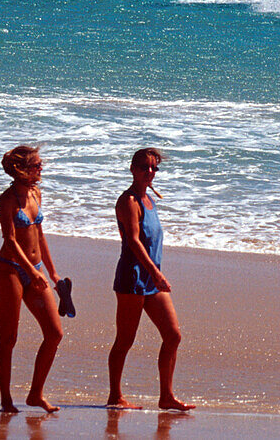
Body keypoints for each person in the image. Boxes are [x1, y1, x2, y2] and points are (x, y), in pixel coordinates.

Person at [107, 148, 195, 412]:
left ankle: (166, 396)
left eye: (154, 168)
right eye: (145, 167)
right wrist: (156, 274)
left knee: (173, 335)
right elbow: (133, 241)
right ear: (133, 169)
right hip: (132, 278)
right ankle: (115, 395)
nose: (150, 172)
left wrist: (155, 274)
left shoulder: (149, 200)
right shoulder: (129, 201)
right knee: (125, 340)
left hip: (150, 278)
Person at [0, 145, 64, 414]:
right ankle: (6, 399)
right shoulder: (7, 200)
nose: (41, 168)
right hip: (9, 270)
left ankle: (35, 394)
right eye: (36, 165)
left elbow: (40, 235)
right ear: (22, 170)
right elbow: (10, 240)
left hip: (35, 268)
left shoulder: (36, 193)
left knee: (55, 333)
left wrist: (51, 272)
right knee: (9, 338)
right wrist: (31, 273)